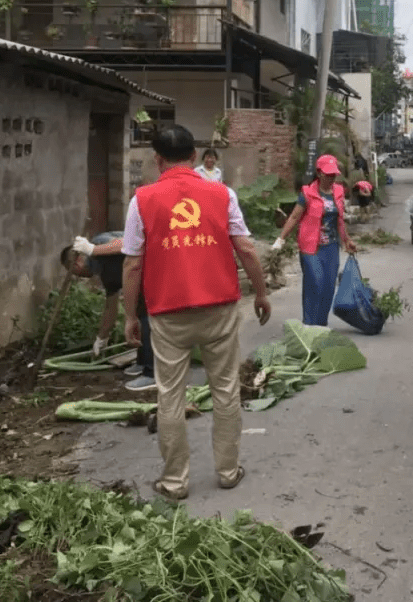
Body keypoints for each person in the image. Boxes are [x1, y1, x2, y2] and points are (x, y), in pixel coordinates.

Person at [121, 125, 272, 501]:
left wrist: (128, 316)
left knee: (170, 395)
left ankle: (175, 482)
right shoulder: (222, 194)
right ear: (194, 156)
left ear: (157, 160)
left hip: (168, 314)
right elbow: (247, 249)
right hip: (219, 308)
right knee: (225, 390)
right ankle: (228, 471)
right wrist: (262, 293)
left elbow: (132, 266)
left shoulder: (142, 199)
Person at [61, 232, 155, 391]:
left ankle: (151, 373)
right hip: (139, 282)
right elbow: (110, 307)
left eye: (76, 274)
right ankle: (142, 363)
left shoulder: (99, 242)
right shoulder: (104, 272)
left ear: (77, 264)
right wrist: (101, 338)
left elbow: (125, 243)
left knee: (147, 319)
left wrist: (92, 249)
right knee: (139, 318)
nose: (80, 277)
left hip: (153, 272)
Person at [272, 154, 358, 325]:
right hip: (310, 247)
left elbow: (339, 220)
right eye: (328, 174)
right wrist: (280, 239)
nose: (331, 178)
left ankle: (320, 325)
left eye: (334, 174)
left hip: (331, 246)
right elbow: (295, 217)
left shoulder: (338, 192)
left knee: (328, 287)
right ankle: (309, 324)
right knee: (315, 282)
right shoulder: (307, 193)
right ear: (319, 173)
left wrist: (347, 240)